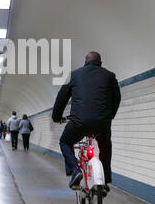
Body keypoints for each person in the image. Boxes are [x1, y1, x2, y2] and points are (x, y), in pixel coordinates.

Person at [52, 51, 121, 190]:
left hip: (78, 123)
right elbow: (116, 99)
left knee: (65, 141)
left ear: (85, 62)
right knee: (105, 147)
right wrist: (109, 116)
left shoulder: (75, 75)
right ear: (100, 63)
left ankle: (75, 170)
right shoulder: (110, 76)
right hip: (103, 124)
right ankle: (105, 179)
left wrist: (57, 117)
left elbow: (62, 97)